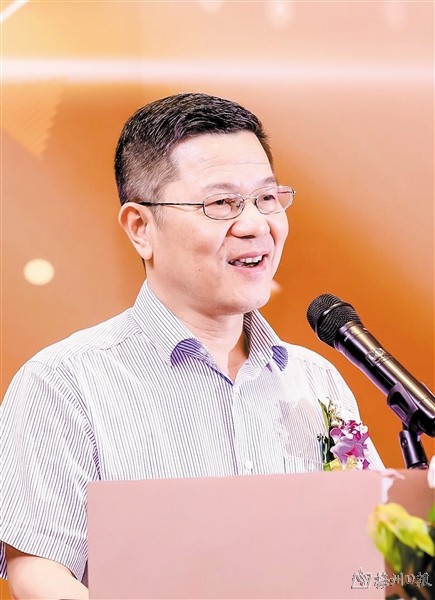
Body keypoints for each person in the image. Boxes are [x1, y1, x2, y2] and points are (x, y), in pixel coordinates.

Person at [0, 92, 383, 599]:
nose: (255, 224)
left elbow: (372, 553)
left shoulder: (315, 380)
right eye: (221, 203)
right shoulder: (65, 383)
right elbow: (38, 571)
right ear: (141, 228)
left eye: (268, 198)